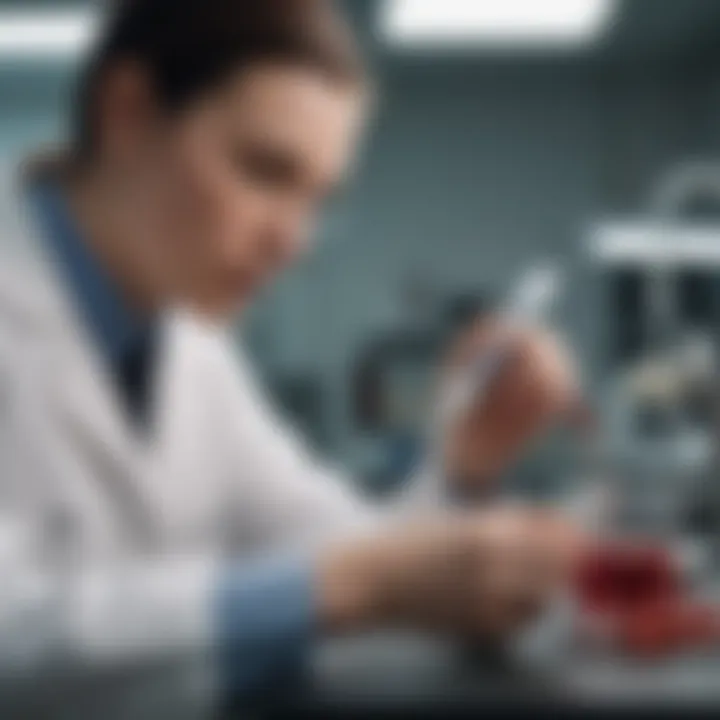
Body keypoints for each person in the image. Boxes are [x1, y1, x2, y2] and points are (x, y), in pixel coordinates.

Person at [0, 0, 581, 712]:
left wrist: (465, 464)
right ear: (128, 110)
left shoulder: (190, 345)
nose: (293, 242)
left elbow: (343, 555)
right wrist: (353, 586)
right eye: (265, 172)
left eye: (316, 199)